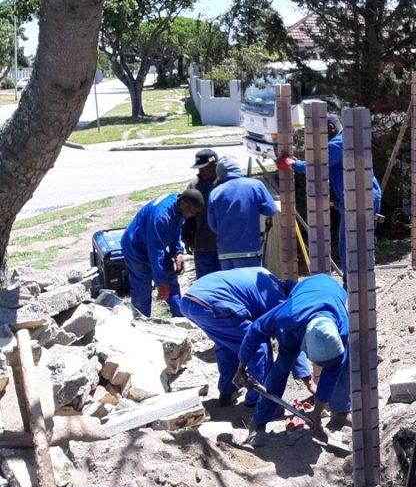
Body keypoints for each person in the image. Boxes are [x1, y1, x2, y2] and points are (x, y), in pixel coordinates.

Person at [234, 273, 349, 445]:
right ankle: (258, 424)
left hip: (331, 291)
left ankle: (340, 413)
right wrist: (241, 368)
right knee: (281, 367)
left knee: (340, 367)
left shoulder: (342, 330)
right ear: (306, 347)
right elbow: (255, 330)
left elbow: (330, 376)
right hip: (302, 301)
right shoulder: (288, 314)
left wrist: (316, 415)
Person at [180, 267, 313, 407]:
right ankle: (256, 402)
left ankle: (227, 393)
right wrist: (307, 379)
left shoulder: (266, 276)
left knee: (227, 345)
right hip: (213, 304)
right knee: (259, 347)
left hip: (191, 302)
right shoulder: (277, 298)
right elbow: (289, 340)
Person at [276, 113, 381, 280]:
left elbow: (318, 165)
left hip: (359, 199)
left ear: (330, 129)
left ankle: (354, 286)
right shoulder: (345, 139)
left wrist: (293, 164)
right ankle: (360, 284)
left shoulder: (339, 143)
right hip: (359, 197)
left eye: (321, 134)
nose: (319, 139)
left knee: (351, 246)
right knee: (358, 244)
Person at [120, 189, 204, 317]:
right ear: (183, 204)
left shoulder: (178, 207)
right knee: (142, 290)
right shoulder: (160, 217)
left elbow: (175, 228)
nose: (192, 216)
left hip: (155, 245)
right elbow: (155, 253)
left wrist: (177, 252)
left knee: (172, 284)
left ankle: (180, 319)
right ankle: (141, 323)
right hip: (136, 248)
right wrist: (161, 283)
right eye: (192, 212)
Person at [207, 155, 279, 270]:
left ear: (219, 174)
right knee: (249, 286)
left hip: (225, 253)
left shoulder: (215, 193)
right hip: (249, 251)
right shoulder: (255, 185)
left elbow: (213, 225)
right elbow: (271, 210)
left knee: (231, 287)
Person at [182, 148, 220, 279]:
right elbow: (187, 216)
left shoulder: (224, 183)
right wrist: (187, 238)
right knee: (206, 285)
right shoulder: (194, 186)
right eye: (199, 169)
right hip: (202, 247)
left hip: (224, 247)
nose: (201, 172)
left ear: (215, 166)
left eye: (204, 168)